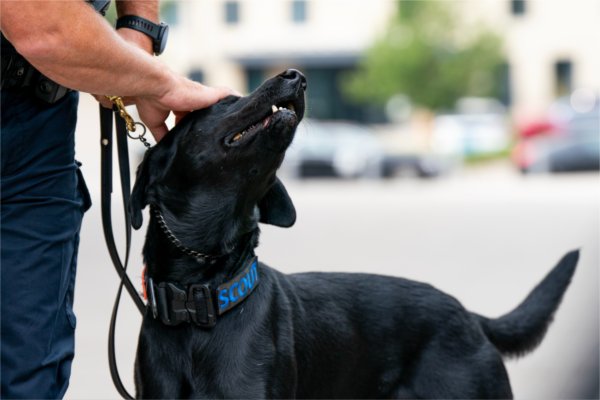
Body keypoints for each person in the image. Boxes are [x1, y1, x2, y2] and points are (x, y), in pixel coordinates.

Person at [0, 1, 235, 398]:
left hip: (40, 119)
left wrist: (138, 27)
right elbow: (43, 29)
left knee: (30, 380)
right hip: (36, 54)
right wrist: (158, 83)